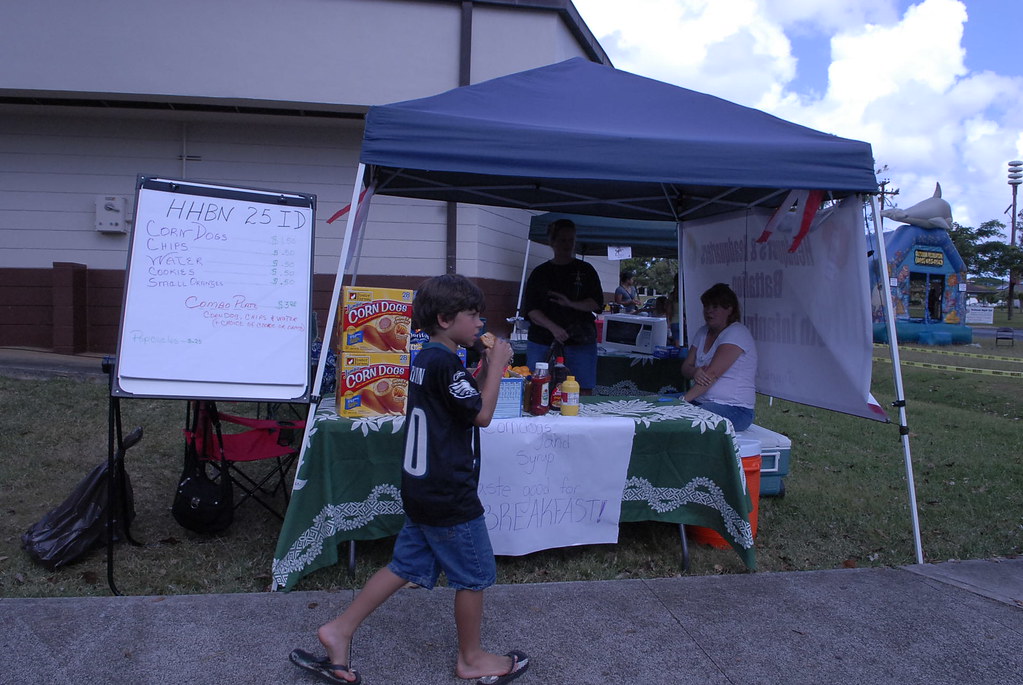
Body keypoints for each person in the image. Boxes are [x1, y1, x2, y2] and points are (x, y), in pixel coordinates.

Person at [290, 274, 530, 685]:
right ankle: (471, 660)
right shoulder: (442, 362)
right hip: (448, 492)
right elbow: (482, 415)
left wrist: (481, 370)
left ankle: (338, 630)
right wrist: (499, 368)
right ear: (444, 318)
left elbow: (458, 402)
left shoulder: (425, 360)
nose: (480, 324)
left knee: (405, 564)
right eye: (473, 315)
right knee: (474, 575)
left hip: (421, 487)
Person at [522, 218, 603, 394]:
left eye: (571, 240)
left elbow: (596, 303)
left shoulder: (586, 270)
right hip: (542, 340)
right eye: (562, 240)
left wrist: (570, 303)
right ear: (552, 242)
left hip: (580, 340)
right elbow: (531, 310)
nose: (567, 245)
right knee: (535, 388)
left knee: (582, 389)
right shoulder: (540, 273)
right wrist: (554, 328)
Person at [680, 283, 757, 431]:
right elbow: (685, 368)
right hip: (701, 401)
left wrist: (682, 402)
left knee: (681, 416)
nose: (709, 311)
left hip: (734, 409)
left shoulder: (737, 333)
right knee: (657, 402)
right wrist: (695, 371)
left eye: (715, 307)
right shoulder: (703, 332)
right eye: (706, 307)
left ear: (729, 309)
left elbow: (711, 375)